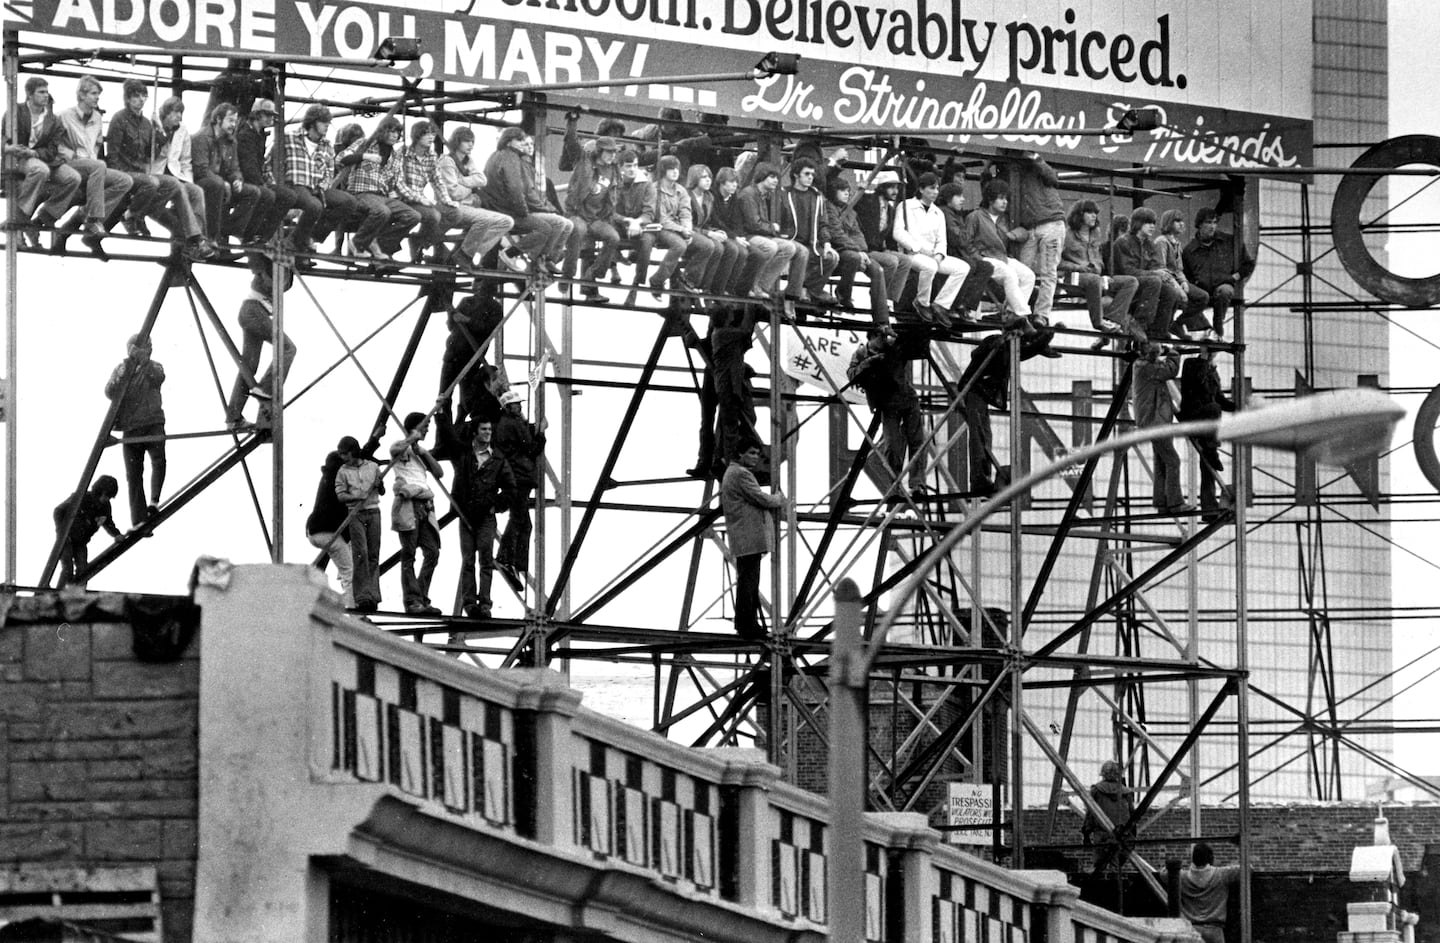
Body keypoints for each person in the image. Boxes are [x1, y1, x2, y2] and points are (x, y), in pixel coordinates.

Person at [106, 78, 211, 261]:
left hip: (146, 174)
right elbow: (113, 153)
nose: (140, 100)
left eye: (143, 96)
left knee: (181, 187)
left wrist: (160, 133)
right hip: (130, 173)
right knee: (155, 182)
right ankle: (133, 216)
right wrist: (119, 176)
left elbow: (152, 152)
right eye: (136, 96)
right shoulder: (119, 119)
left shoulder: (147, 124)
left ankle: (196, 238)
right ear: (128, 99)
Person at [437, 417, 515, 620]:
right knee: (469, 560)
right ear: (475, 432)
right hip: (466, 515)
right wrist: (441, 413)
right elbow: (449, 436)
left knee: (485, 561)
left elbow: (510, 487)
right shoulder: (464, 454)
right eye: (484, 429)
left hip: (485, 517)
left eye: (489, 428)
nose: (488, 432)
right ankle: (470, 604)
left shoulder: (498, 458)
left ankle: (485, 604)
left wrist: (495, 506)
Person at [957, 330, 1051, 495]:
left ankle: (981, 480)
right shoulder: (997, 342)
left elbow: (1025, 352)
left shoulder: (1008, 349)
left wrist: (1042, 342)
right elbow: (977, 352)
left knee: (984, 435)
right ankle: (980, 481)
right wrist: (1043, 339)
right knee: (979, 436)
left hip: (979, 392)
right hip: (974, 390)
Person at [55, 75, 134, 254]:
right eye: (93, 93)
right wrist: (68, 154)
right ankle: (89, 223)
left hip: (93, 166)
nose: (97, 97)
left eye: (98, 94)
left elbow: (98, 145)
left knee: (125, 181)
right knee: (97, 170)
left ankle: (77, 226)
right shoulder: (64, 116)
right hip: (73, 164)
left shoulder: (97, 118)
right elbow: (53, 140)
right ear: (81, 95)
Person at [848, 325, 928, 498]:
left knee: (917, 441)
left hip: (907, 399)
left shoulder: (893, 348)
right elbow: (852, 375)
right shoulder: (861, 354)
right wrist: (869, 363)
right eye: (882, 337)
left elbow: (917, 349)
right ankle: (894, 486)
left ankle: (917, 484)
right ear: (873, 337)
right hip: (887, 404)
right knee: (892, 446)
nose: (885, 341)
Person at [721, 439, 787, 640]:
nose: (755, 457)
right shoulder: (740, 474)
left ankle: (748, 623)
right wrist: (779, 499)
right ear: (740, 454)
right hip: (748, 534)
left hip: (744, 534)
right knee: (749, 581)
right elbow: (761, 498)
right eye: (751, 453)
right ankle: (746, 624)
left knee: (748, 580)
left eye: (757, 454)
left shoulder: (732, 473)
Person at [4, 76, 81, 248]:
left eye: (46, 92)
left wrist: (33, 152)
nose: (45, 96)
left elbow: (53, 149)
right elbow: (3, 135)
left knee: (73, 178)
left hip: (40, 157)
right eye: (41, 92)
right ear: (30, 95)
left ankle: (47, 215)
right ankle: (22, 215)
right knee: (40, 171)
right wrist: (8, 148)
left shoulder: (53, 120)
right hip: (19, 158)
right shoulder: (15, 111)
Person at [482, 126, 572, 271]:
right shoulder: (511, 158)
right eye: (520, 140)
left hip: (499, 208)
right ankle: (519, 255)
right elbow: (516, 189)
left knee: (560, 224)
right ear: (508, 142)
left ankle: (546, 259)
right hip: (508, 211)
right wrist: (525, 211)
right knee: (547, 227)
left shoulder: (498, 156)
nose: (523, 144)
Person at [274, 104, 356, 258]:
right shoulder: (289, 138)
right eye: (323, 122)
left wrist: (323, 186)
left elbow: (329, 172)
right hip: (295, 185)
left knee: (348, 202)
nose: (326, 126)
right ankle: (294, 240)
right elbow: (271, 163)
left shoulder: (327, 146)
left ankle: (311, 237)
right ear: (312, 123)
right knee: (314, 205)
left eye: (328, 122)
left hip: (317, 188)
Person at [336, 115, 419, 263]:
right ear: (383, 131)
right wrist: (365, 156)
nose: (395, 135)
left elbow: (396, 180)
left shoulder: (394, 155)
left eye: (397, 133)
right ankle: (358, 243)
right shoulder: (365, 143)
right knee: (382, 211)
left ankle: (375, 241)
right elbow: (341, 158)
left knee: (413, 216)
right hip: (361, 193)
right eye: (391, 132)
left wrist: (402, 193)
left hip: (382, 195)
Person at [1057, 200, 1143, 344]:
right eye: (1090, 213)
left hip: (1094, 276)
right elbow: (1057, 262)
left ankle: (1112, 319)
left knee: (1131, 282)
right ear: (1080, 214)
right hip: (1072, 277)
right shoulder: (1066, 234)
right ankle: (1098, 323)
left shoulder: (1096, 233)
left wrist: (1099, 267)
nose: (1094, 216)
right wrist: (1080, 267)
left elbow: (1098, 258)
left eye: (1096, 213)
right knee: (1093, 279)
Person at [827, 176, 911, 324]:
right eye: (891, 187)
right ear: (882, 188)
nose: (895, 191)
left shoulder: (890, 209)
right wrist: (860, 190)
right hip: (853, 249)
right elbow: (839, 230)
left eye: (897, 188)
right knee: (891, 262)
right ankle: (878, 298)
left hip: (868, 249)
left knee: (904, 261)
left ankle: (887, 300)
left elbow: (857, 233)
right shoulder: (867, 200)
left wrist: (862, 249)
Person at [104, 334, 166, 529]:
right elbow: (109, 391)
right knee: (134, 474)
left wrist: (143, 362)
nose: (150, 349)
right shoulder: (122, 368)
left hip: (152, 421)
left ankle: (153, 503)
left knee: (158, 461)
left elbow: (158, 378)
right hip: (131, 427)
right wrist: (126, 370)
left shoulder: (154, 366)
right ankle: (139, 519)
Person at [225, 264, 296, 431]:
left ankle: (233, 418)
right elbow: (263, 276)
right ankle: (266, 388)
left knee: (249, 367)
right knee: (288, 349)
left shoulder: (284, 270)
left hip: (253, 311)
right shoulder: (271, 265)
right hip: (254, 311)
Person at [896, 172, 970, 327]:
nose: (936, 192)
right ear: (921, 189)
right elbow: (898, 232)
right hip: (911, 254)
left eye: (937, 188)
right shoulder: (906, 206)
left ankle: (941, 304)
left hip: (932, 256)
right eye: (932, 188)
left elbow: (942, 240)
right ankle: (922, 302)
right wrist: (915, 247)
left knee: (963, 267)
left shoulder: (938, 213)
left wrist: (939, 255)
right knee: (929, 267)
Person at [390, 412, 445, 616]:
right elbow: (394, 448)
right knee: (409, 554)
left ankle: (421, 596)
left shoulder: (419, 454)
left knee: (432, 551)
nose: (428, 429)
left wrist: (421, 451)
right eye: (426, 425)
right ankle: (412, 600)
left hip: (425, 505)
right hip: (408, 504)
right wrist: (412, 438)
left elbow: (439, 472)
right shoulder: (400, 447)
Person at [960, 179, 1038, 322]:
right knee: (1010, 275)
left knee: (1028, 276)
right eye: (1001, 198)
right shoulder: (975, 216)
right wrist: (978, 258)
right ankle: (1023, 315)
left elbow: (1019, 235)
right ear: (990, 199)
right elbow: (966, 243)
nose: (1005, 202)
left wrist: (1015, 234)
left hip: (1002, 257)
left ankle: (1011, 313)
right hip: (984, 257)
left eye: (1006, 199)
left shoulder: (1004, 220)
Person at [1004, 152, 1066, 322]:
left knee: (1045, 273)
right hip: (1036, 226)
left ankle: (1041, 314)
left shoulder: (1037, 168)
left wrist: (1037, 159)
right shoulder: (1022, 172)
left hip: (1049, 223)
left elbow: (1053, 178)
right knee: (1023, 271)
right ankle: (1019, 310)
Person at [191, 102, 260, 253]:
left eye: (235, 121)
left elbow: (234, 168)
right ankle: (212, 236)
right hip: (203, 182)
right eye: (230, 120)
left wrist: (237, 180)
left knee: (253, 192)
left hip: (222, 184)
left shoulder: (231, 141)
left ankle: (229, 228)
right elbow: (200, 169)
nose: (233, 125)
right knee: (216, 185)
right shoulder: (201, 138)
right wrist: (224, 182)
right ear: (218, 119)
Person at [1179, 349, 1238, 522]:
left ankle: (1209, 510)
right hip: (1194, 415)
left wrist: (1238, 406)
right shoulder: (1191, 364)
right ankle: (1212, 449)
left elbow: (1219, 398)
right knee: (1214, 409)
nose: (1214, 355)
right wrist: (1204, 359)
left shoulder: (1213, 371)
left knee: (1207, 465)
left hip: (1207, 420)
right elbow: (1195, 380)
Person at [494, 389, 547, 578]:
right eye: (517, 404)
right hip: (519, 477)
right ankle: (506, 559)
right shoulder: (512, 424)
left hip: (514, 476)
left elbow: (522, 437)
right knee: (519, 520)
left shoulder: (506, 423)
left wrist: (533, 429)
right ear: (509, 406)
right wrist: (540, 434)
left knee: (523, 522)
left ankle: (515, 563)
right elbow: (531, 447)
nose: (520, 406)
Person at [563, 134, 621, 302]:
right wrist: (572, 122)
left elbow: (611, 197)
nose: (612, 155)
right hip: (577, 214)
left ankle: (592, 274)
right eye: (609, 152)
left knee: (613, 237)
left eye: (614, 152)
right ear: (599, 151)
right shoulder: (584, 163)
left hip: (596, 218)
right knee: (579, 232)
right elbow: (571, 144)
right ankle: (568, 275)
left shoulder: (613, 169)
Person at [1133, 343, 1189, 515]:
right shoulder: (1148, 368)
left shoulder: (1142, 366)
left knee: (1162, 461)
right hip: (1155, 422)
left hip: (1156, 420)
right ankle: (1175, 503)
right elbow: (1170, 370)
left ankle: (1162, 503)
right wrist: (1173, 352)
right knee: (1173, 461)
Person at [737, 162, 804, 304]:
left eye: (777, 177)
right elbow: (753, 224)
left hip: (761, 235)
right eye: (772, 177)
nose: (776, 181)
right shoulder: (748, 194)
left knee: (789, 247)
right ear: (762, 177)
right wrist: (773, 228)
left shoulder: (763, 195)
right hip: (747, 236)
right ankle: (752, 285)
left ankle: (762, 286)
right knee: (770, 246)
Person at [1182, 208, 1255, 338]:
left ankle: (1217, 324)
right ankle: (1203, 330)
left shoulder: (1230, 241)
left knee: (1225, 291)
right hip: (1201, 291)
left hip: (1223, 286)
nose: (1212, 226)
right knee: (1187, 295)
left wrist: (1235, 277)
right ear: (1199, 225)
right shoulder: (1189, 250)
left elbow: (1248, 264)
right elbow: (1186, 276)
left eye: (1215, 222)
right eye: (1208, 222)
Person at [1112, 209, 1179, 341]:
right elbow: (1127, 270)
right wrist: (1155, 273)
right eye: (1148, 223)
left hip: (1144, 281)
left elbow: (1154, 266)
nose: (1152, 226)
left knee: (1171, 292)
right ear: (1138, 223)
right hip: (1124, 282)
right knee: (1154, 281)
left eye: (1153, 223)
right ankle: (1140, 322)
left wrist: (1162, 273)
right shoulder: (1123, 242)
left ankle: (1159, 330)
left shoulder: (1149, 244)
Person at [779, 157, 838, 305]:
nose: (811, 177)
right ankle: (795, 293)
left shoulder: (817, 196)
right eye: (806, 174)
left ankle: (809, 288)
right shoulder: (784, 194)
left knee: (832, 258)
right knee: (802, 253)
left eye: (812, 174)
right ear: (796, 175)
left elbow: (823, 224)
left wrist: (827, 243)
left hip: (812, 245)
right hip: (791, 242)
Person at [335, 435, 384, 613]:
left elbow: (383, 491)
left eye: (345, 454)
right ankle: (362, 596)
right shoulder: (342, 471)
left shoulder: (372, 466)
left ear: (353, 451)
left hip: (373, 511)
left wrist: (379, 484)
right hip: (355, 513)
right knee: (360, 553)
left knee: (373, 554)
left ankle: (373, 595)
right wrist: (357, 497)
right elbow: (341, 496)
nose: (343, 458)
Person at [936, 181, 997, 321]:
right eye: (958, 196)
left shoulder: (955, 213)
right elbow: (959, 239)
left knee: (986, 267)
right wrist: (968, 234)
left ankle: (965, 305)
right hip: (949, 253)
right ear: (948, 198)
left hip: (958, 253)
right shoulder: (946, 212)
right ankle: (955, 305)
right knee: (972, 265)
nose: (963, 199)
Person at [647, 153, 703, 297]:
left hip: (680, 228)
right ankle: (657, 280)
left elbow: (686, 212)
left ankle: (688, 279)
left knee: (708, 246)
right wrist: (682, 230)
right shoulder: (655, 189)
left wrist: (688, 230)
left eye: (677, 168)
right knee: (680, 245)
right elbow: (662, 219)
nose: (675, 172)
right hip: (660, 228)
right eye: (671, 169)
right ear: (663, 171)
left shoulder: (681, 190)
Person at [53, 476, 122, 588]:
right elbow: (58, 511)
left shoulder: (105, 507)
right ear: (99, 491)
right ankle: (58, 594)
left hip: (81, 541)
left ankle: (78, 595)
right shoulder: (81, 497)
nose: (107, 499)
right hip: (67, 539)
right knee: (68, 568)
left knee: (83, 570)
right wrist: (62, 532)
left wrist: (117, 534)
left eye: (109, 496)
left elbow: (108, 523)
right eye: (106, 495)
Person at [305, 449, 354, 608]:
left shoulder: (326, 478)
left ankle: (311, 595)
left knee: (338, 560)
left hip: (313, 531)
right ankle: (354, 612)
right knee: (349, 570)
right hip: (326, 531)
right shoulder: (338, 479)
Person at [235, 99, 287, 246]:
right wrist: (263, 183)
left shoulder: (259, 134)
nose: (271, 118)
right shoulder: (245, 134)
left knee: (288, 196)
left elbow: (259, 164)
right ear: (257, 115)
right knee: (268, 194)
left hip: (256, 179)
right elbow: (248, 165)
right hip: (245, 180)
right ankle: (249, 235)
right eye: (267, 115)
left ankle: (262, 236)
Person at [686, 163, 740, 298]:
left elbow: (709, 221)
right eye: (704, 177)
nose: (708, 180)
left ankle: (708, 287)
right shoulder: (686, 196)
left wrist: (717, 231)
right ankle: (692, 280)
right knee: (712, 246)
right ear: (694, 178)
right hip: (687, 231)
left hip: (703, 231)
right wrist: (709, 233)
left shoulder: (708, 197)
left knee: (723, 248)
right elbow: (686, 223)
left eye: (709, 177)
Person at [1158, 209, 1212, 338]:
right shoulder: (1162, 242)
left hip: (1175, 280)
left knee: (1202, 297)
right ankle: (1165, 327)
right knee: (1176, 296)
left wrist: (1183, 282)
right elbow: (1161, 268)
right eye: (1177, 221)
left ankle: (1178, 323)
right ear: (1168, 223)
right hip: (1165, 280)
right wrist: (1177, 286)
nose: (1181, 224)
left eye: (1181, 221)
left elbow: (1178, 269)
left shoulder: (1176, 244)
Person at [1180, 843, 1242, 943]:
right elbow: (1248, 868)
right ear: (1210, 858)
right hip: (1214, 931)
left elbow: (1164, 873)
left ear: (1193, 859)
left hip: (1191, 931)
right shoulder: (1222, 874)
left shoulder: (1182, 877)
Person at [711, 167, 753, 295]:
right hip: (716, 231)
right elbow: (715, 220)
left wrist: (739, 236)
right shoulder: (712, 196)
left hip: (730, 234)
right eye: (731, 182)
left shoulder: (733, 197)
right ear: (721, 183)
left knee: (744, 252)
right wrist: (734, 237)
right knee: (733, 250)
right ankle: (718, 288)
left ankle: (730, 288)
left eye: (736, 182)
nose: (735, 185)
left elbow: (737, 220)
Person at [1080, 759, 1134, 846]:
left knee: (1102, 859)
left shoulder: (1096, 790)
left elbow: (1090, 813)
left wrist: (1086, 833)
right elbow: (1132, 814)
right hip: (1122, 834)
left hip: (1102, 834)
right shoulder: (1126, 792)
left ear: (1103, 773)